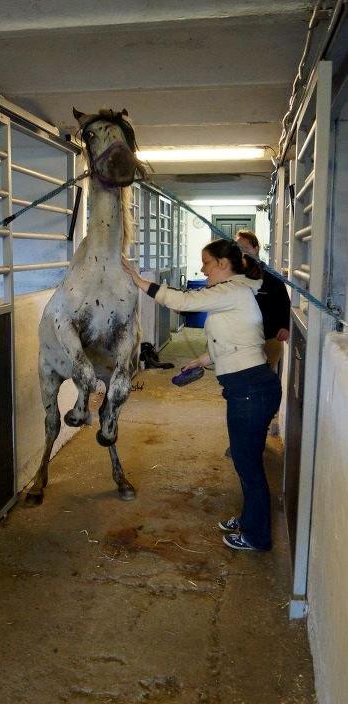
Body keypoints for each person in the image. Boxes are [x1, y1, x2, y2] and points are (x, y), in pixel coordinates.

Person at [122, 239, 282, 552]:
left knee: (247, 464)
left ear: (223, 264)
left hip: (249, 391)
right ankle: (250, 519)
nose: (203, 269)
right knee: (245, 461)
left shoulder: (231, 291)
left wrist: (140, 282)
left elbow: (182, 302)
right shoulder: (237, 292)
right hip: (249, 387)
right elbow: (239, 338)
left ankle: (256, 536)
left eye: (206, 263)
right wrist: (204, 359)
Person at [235, 230, 290, 371]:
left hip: (269, 338)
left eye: (245, 249)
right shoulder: (233, 277)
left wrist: (285, 326)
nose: (242, 253)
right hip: (241, 339)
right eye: (238, 249)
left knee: (266, 378)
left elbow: (284, 303)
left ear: (256, 248)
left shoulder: (272, 277)